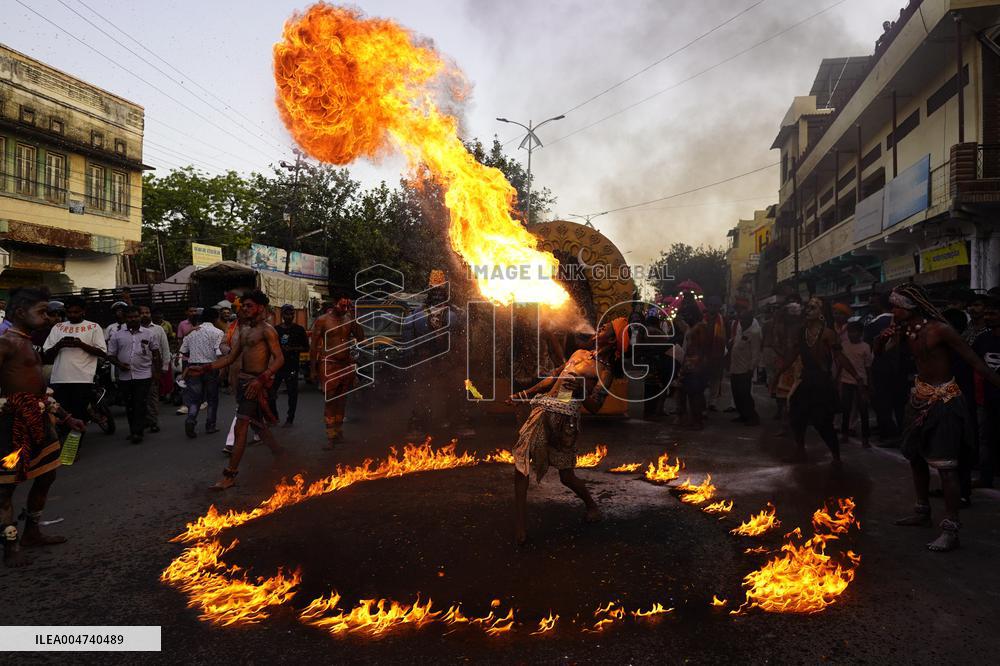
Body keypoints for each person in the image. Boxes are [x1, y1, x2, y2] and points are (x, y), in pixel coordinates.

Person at [883, 284, 1000, 552]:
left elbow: (974, 361)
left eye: (897, 306)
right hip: (918, 397)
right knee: (915, 457)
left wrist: (997, 382)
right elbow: (885, 355)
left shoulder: (940, 329)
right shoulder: (905, 330)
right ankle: (922, 512)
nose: (893, 311)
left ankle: (951, 528)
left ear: (910, 307)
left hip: (944, 400)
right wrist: (883, 339)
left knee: (947, 467)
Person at [509, 317, 623, 545]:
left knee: (566, 476)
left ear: (612, 340)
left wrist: (582, 389)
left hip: (566, 421)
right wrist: (523, 394)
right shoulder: (579, 353)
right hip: (543, 411)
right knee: (521, 461)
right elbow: (553, 378)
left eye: (605, 328)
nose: (598, 328)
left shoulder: (605, 371)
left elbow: (595, 406)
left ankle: (591, 505)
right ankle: (520, 527)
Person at [0, 288, 86, 566]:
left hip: (38, 420)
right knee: (4, 488)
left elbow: (39, 392)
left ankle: (32, 532)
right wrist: (11, 406)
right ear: (19, 313)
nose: (49, 318)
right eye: (43, 312)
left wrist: (65, 416)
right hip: (12, 425)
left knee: (47, 475)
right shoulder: (6, 343)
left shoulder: (28, 343)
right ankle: (10, 546)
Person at [188, 290, 284, 490]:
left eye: (249, 305)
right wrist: (205, 367)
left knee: (241, 427)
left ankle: (229, 475)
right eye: (243, 306)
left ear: (260, 307)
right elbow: (230, 358)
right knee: (258, 426)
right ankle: (281, 455)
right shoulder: (245, 330)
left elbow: (279, 359)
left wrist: (262, 379)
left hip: (254, 384)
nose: (244, 309)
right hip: (243, 383)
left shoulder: (267, 330)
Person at [788, 296, 862, 464]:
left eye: (812, 308)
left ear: (821, 313)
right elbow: (793, 354)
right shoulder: (801, 332)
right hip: (806, 380)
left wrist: (856, 376)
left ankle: (836, 457)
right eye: (807, 307)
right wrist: (780, 372)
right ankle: (800, 450)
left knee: (823, 423)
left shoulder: (828, 333)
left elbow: (839, 356)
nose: (808, 310)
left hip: (821, 383)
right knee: (796, 416)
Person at [42, 296, 107, 446]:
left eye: (76, 312)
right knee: (62, 414)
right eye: (69, 312)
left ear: (83, 311)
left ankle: (73, 448)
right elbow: (47, 353)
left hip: (83, 378)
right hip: (60, 378)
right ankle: (64, 442)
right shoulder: (58, 328)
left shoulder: (93, 327)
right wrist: (59, 345)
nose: (72, 315)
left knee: (79, 413)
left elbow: (102, 352)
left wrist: (81, 344)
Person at [310, 294, 364, 448]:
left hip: (346, 364)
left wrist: (354, 318)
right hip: (329, 364)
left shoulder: (348, 319)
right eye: (342, 306)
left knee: (342, 399)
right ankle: (330, 437)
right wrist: (312, 369)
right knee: (331, 399)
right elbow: (313, 346)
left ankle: (338, 432)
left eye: (347, 306)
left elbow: (360, 337)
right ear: (334, 303)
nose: (345, 309)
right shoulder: (322, 320)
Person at [106, 305, 161, 444]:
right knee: (129, 405)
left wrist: (157, 372)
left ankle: (138, 432)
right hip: (125, 377)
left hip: (144, 374)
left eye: (136, 316)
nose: (134, 319)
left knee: (140, 403)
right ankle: (133, 430)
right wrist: (119, 365)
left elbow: (156, 353)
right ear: (125, 318)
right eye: (130, 317)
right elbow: (110, 355)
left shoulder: (149, 333)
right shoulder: (116, 335)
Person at [179, 308, 223, 438]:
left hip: (193, 368)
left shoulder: (192, 332)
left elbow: (184, 351)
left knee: (195, 399)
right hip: (210, 368)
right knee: (212, 399)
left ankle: (191, 420)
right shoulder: (218, 332)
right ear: (216, 319)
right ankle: (210, 426)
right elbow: (219, 353)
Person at [865, 290, 899, 442]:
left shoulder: (873, 324)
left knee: (882, 402)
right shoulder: (900, 320)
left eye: (873, 302)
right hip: (899, 367)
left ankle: (888, 433)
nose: (870, 304)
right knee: (899, 402)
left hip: (880, 367)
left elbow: (868, 349)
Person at [973, 296, 1000, 488]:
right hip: (987, 399)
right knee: (986, 438)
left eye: (993, 313)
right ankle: (986, 476)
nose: (988, 317)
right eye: (987, 313)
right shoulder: (982, 339)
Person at [272, 305, 308, 427]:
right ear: (282, 315)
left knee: (292, 395)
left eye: (292, 314)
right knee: (271, 393)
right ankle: (274, 417)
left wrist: (292, 349)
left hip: (292, 366)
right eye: (287, 314)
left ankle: (290, 419)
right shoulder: (275, 330)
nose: (290, 316)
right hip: (277, 367)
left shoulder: (299, 329)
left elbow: (306, 347)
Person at [838, 320, 873, 447]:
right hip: (846, 380)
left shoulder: (865, 347)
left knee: (863, 410)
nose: (852, 334)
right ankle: (845, 434)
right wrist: (837, 380)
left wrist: (869, 384)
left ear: (860, 333)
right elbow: (840, 364)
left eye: (855, 332)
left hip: (861, 382)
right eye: (850, 332)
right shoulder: (844, 345)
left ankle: (865, 438)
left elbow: (868, 367)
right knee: (845, 409)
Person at [729, 302, 762, 426]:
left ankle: (752, 417)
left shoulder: (754, 332)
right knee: (737, 394)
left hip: (745, 369)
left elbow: (756, 353)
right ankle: (742, 415)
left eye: (744, 319)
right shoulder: (739, 328)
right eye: (740, 319)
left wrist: (751, 369)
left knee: (745, 394)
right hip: (735, 366)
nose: (741, 322)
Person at [678, 303, 710, 430]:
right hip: (692, 364)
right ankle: (694, 419)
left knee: (695, 394)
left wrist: (696, 362)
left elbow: (702, 347)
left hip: (697, 364)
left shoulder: (700, 328)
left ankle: (697, 420)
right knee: (691, 393)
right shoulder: (694, 328)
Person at [139, 305, 171, 434]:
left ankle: (153, 422)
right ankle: (143, 421)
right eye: (142, 313)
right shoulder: (133, 330)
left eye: (147, 312)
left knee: (152, 394)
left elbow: (165, 348)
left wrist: (164, 366)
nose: (145, 315)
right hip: (138, 366)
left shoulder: (158, 329)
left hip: (154, 365)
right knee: (140, 395)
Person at [703, 296, 727, 411]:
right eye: (711, 306)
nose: (713, 308)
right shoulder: (702, 319)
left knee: (715, 380)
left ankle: (712, 403)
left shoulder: (723, 320)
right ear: (708, 307)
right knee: (703, 379)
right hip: (703, 354)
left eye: (716, 306)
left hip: (717, 355)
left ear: (719, 308)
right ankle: (702, 402)